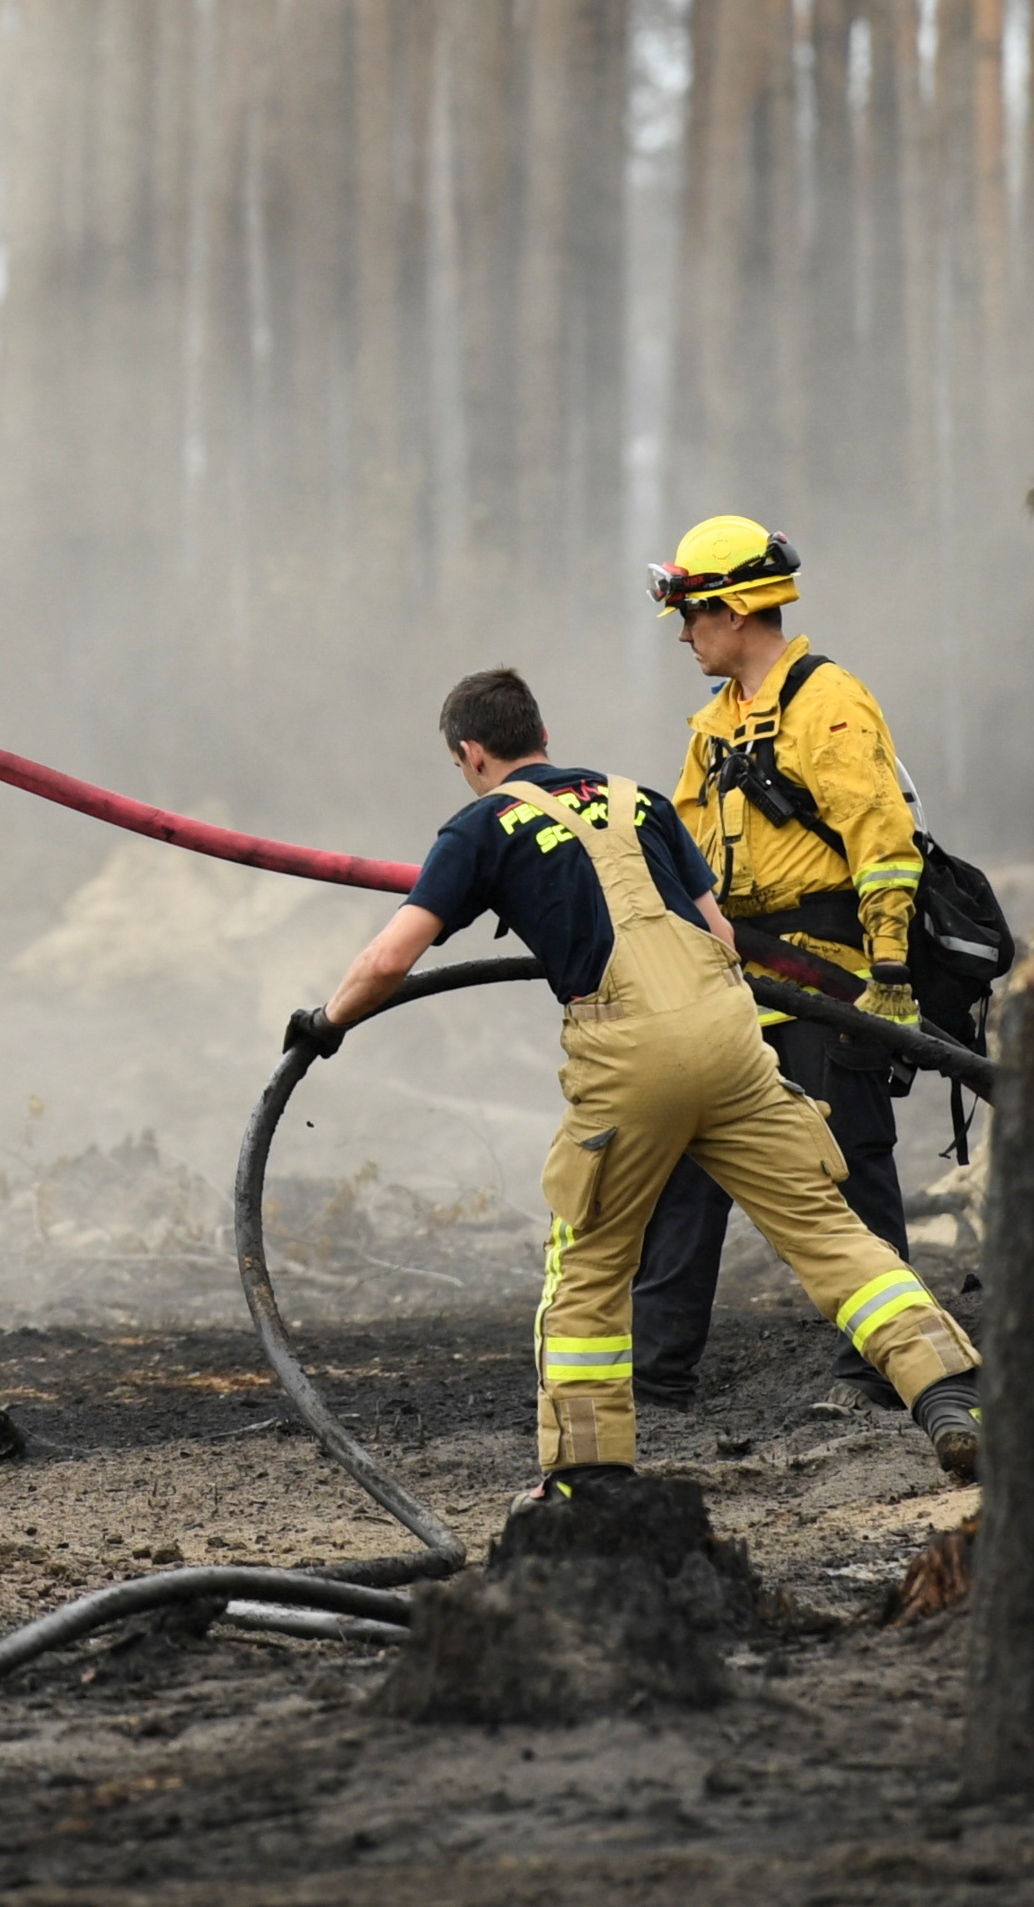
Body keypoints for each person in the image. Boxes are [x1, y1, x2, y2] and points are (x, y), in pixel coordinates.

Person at [291, 663, 981, 1487]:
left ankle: (589, 1484)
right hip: (731, 1033)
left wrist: (325, 1024)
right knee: (829, 1233)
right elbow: (721, 934)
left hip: (627, 1053)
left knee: (586, 1266)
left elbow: (389, 957)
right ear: (542, 735)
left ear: (471, 753)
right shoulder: (641, 800)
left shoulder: (480, 827)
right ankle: (949, 1394)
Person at [628, 515, 925, 1409]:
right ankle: (654, 1375)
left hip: (831, 980)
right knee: (687, 1161)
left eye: (692, 613)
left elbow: (884, 841)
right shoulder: (714, 727)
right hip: (736, 987)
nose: (684, 633)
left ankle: (880, 1369)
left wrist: (891, 972)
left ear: (736, 606)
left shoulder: (827, 702)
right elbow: (678, 860)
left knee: (849, 1171)